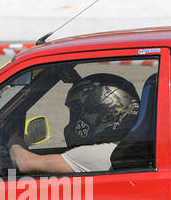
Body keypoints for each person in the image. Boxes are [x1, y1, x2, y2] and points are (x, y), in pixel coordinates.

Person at [9, 74, 139, 174]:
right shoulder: (125, 147)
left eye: (77, 114)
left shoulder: (95, 154)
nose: (74, 121)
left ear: (104, 114)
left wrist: (13, 141)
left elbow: (25, 163)